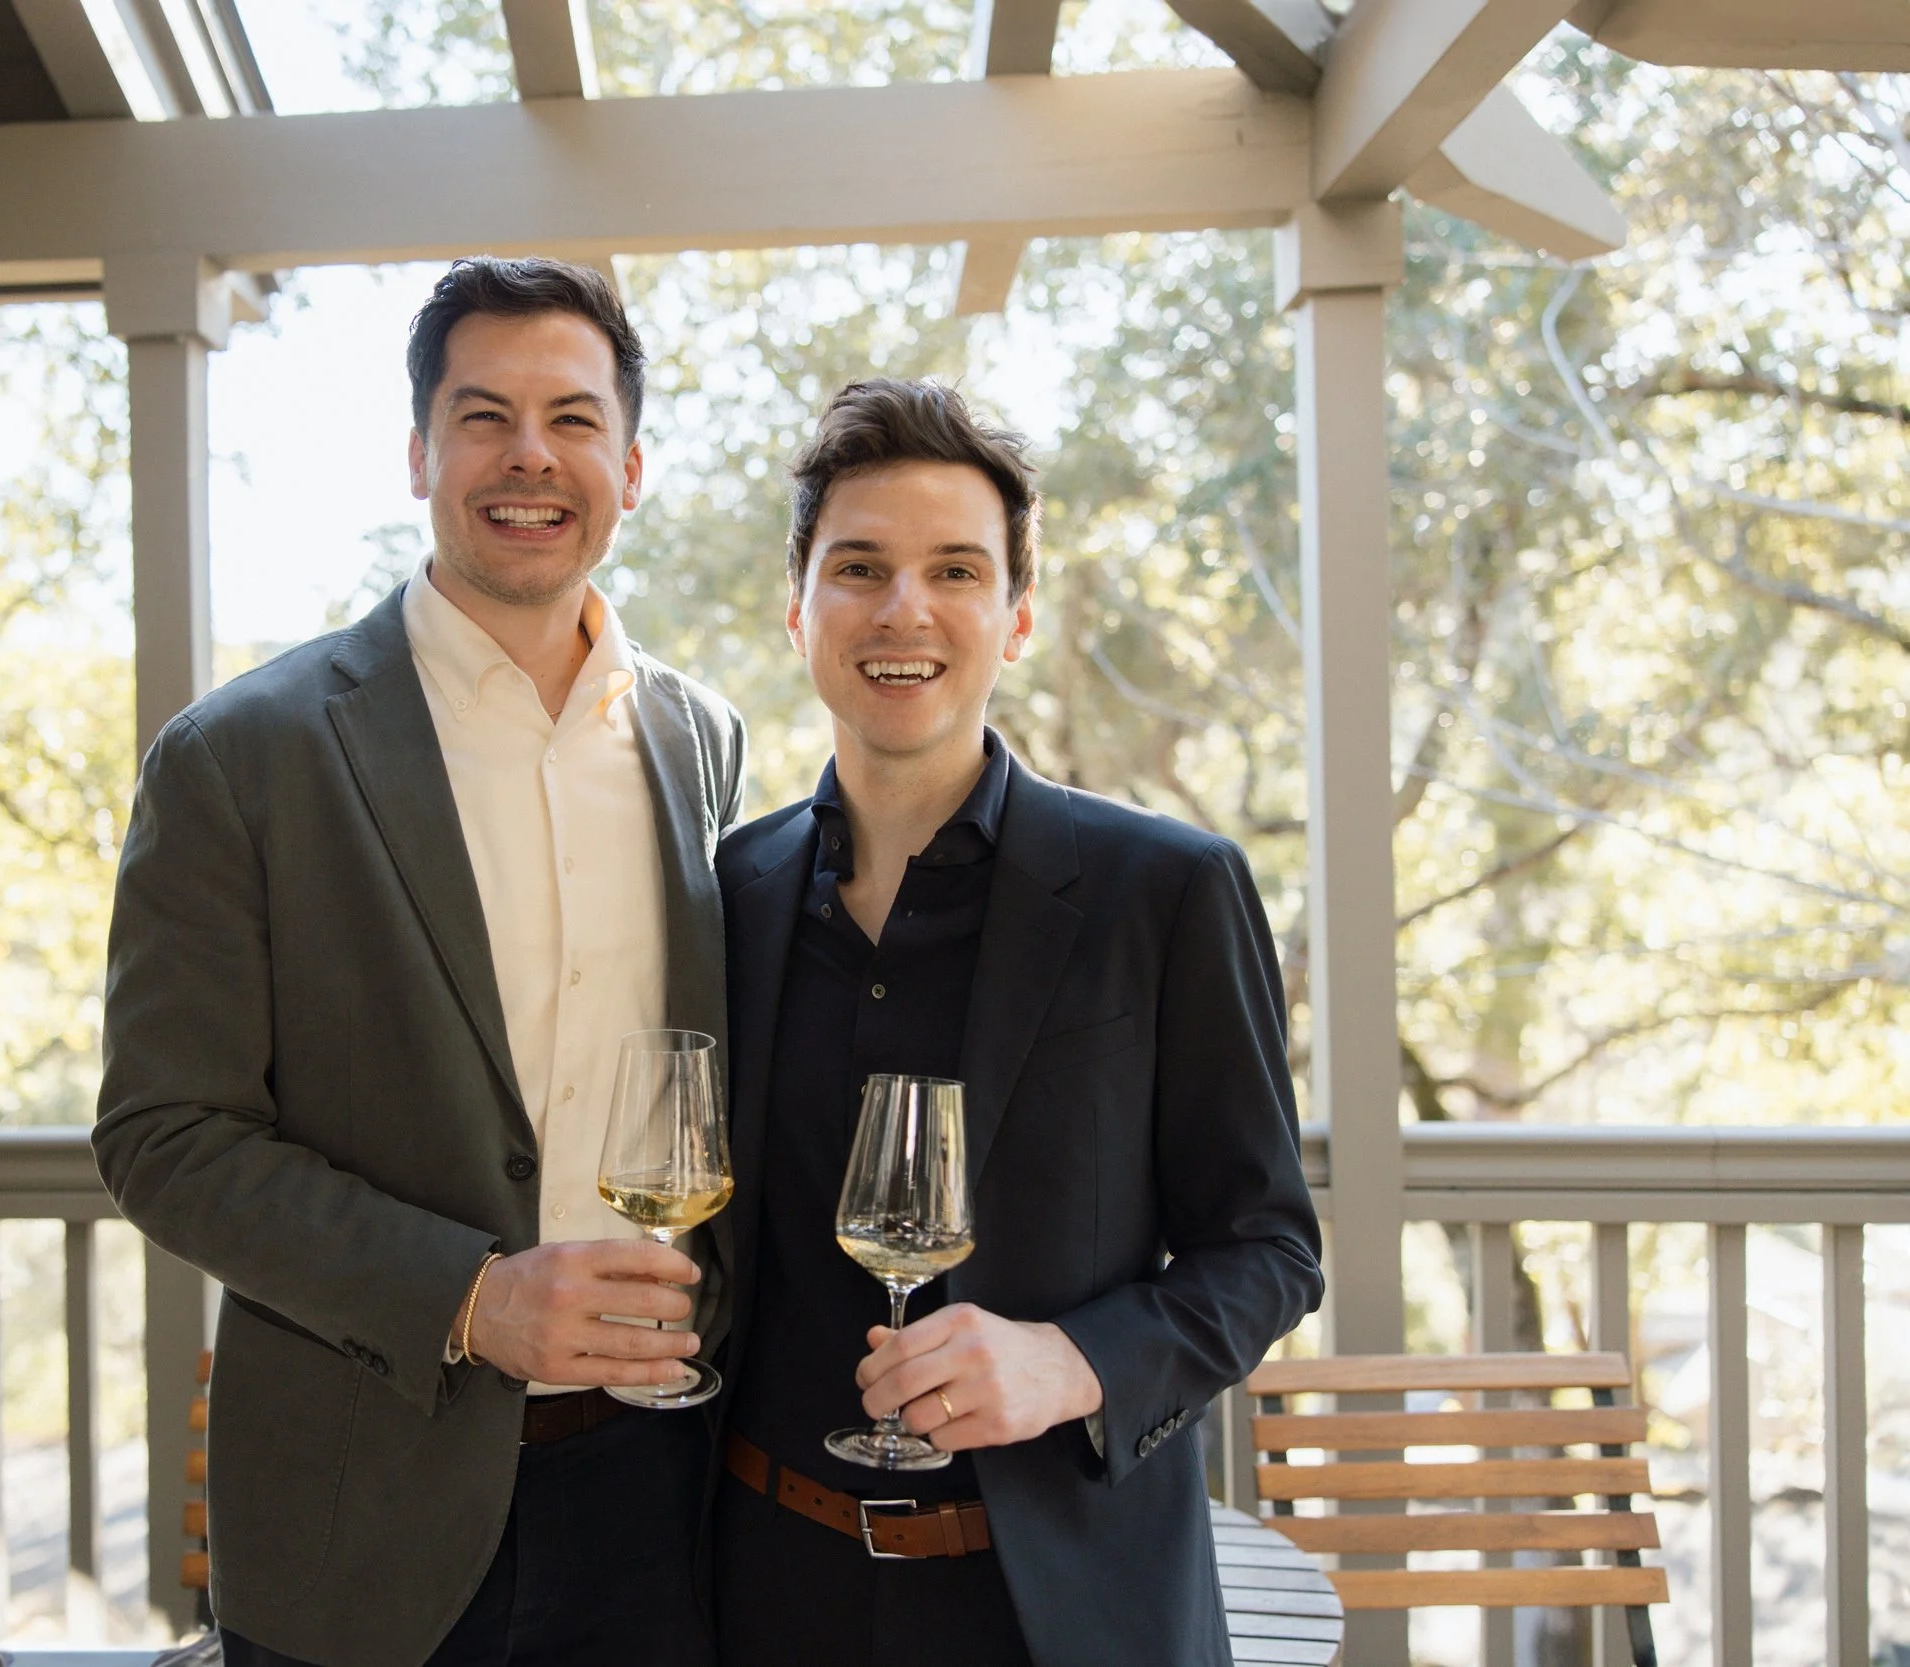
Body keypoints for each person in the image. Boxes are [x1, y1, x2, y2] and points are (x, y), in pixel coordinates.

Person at [94, 256, 744, 1667]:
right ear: (419, 453)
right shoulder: (241, 756)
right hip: (359, 1518)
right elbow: (163, 1136)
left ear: (631, 467)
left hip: (662, 1502)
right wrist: (470, 1293)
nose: (530, 456)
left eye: (574, 419)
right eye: (483, 414)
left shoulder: (702, 741)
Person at [711, 378, 1323, 1666]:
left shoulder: (1167, 889)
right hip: (761, 1596)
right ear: (799, 609)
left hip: (1064, 1614)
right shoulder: (728, 893)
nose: (905, 610)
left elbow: (1270, 1247)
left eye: (955, 570)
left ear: (1017, 616)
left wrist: (1074, 1362)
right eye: (860, 567)